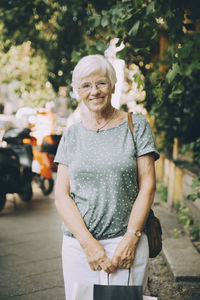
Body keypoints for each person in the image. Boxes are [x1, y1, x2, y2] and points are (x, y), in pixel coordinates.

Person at [54, 54, 159, 299]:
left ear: (112, 86)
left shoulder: (136, 125)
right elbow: (61, 194)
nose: (94, 91)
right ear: (77, 91)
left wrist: (131, 238)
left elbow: (148, 186)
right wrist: (88, 244)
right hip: (79, 246)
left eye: (101, 83)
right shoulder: (72, 135)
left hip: (126, 242)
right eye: (86, 86)